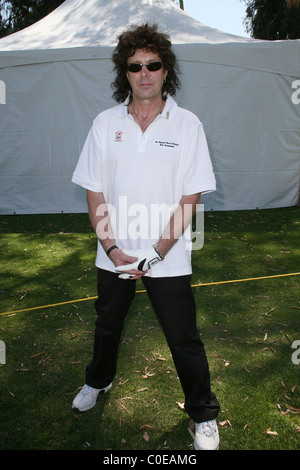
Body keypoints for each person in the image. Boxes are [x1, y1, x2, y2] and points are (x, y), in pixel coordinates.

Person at [71, 23, 220, 450]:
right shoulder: (104, 123)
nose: (145, 73)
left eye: (153, 64)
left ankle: (202, 415)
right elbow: (93, 189)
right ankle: (97, 382)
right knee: (106, 327)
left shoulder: (188, 125)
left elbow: (190, 196)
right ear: (125, 72)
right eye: (135, 66)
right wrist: (113, 248)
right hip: (113, 256)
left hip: (167, 258)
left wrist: (156, 253)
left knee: (183, 337)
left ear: (165, 69)